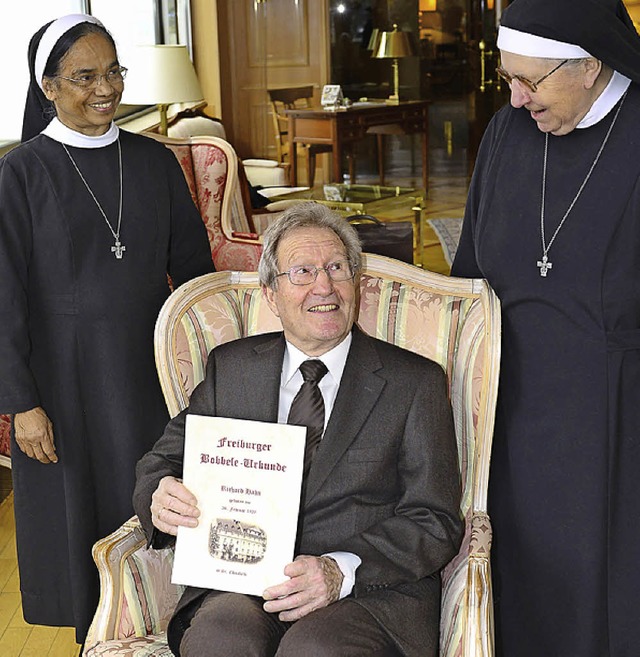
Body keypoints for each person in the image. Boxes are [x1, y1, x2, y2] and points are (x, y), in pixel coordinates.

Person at [133, 203, 463, 657]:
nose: (323, 286)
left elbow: (436, 518)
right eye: (302, 271)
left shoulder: (415, 383)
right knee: (220, 641)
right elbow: (163, 460)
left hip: (367, 592)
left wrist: (339, 569)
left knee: (314, 651)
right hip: (243, 581)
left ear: (357, 283)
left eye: (336, 268)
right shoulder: (232, 369)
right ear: (270, 293)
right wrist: (161, 494)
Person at [0, 14, 213, 643]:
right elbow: (2, 298)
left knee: (155, 512)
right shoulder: (21, 172)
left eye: (114, 71)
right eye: (84, 76)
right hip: (62, 390)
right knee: (80, 529)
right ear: (48, 87)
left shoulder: (153, 162)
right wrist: (21, 405)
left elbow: (197, 276)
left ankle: (165, 637)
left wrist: (212, 374)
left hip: (150, 378)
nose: (105, 88)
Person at [451, 1, 640, 655]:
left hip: (616, 430)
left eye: (530, 81)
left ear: (589, 66)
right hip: (508, 418)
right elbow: (468, 277)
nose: (516, 97)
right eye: (507, 78)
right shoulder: (507, 134)